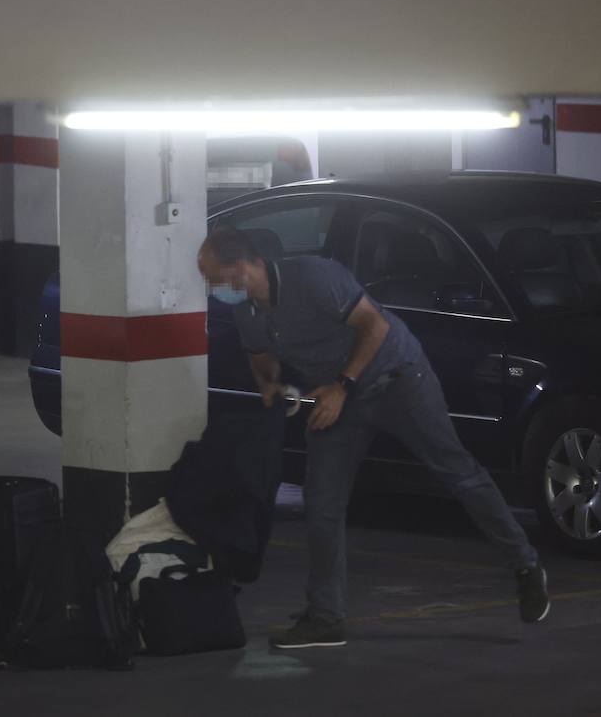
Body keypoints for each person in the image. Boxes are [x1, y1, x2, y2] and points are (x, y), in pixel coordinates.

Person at [196, 226, 547, 649]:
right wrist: (271, 385)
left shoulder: (314, 277)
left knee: (458, 473)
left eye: (215, 277)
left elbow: (374, 325)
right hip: (336, 397)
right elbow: (262, 356)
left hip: (396, 378)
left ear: (244, 266)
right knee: (322, 503)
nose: (213, 289)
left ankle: (526, 566)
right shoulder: (247, 310)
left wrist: (342, 386)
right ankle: (326, 618)